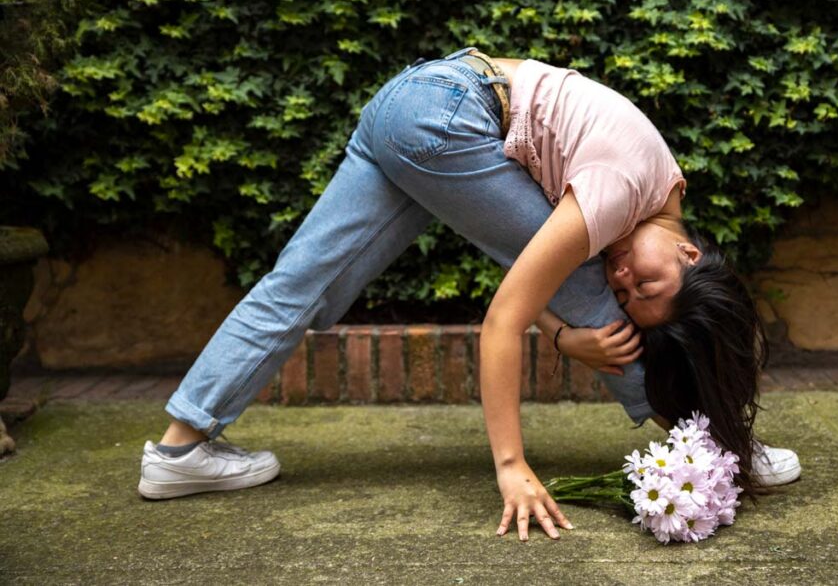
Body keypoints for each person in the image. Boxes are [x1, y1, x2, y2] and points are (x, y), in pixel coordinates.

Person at [138, 47, 800, 540]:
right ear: (690, 250)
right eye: (646, 280)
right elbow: (504, 317)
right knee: (588, 289)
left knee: (300, 284)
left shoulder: (645, 210)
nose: (625, 275)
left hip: (409, 105)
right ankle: (711, 445)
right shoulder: (621, 191)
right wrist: (511, 464)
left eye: (634, 290)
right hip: (450, 110)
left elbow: (521, 265)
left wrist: (565, 336)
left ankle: (179, 449)